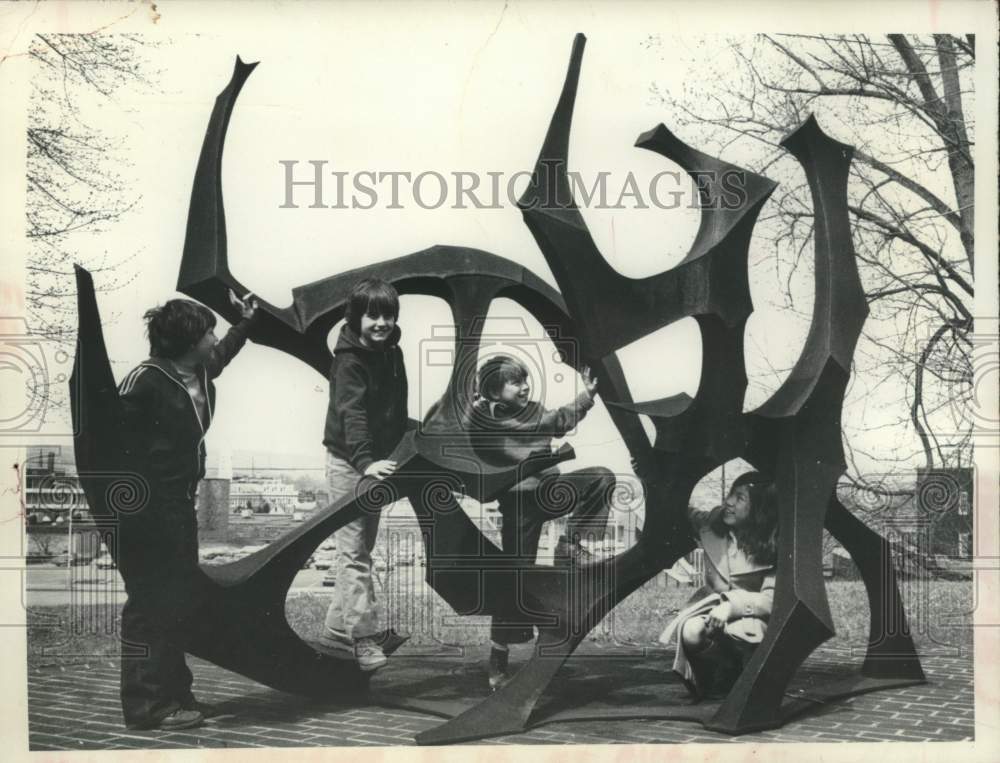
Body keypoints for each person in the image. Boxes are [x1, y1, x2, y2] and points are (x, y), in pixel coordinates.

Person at [117, 289, 257, 730]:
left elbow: (226, 352)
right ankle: (147, 706)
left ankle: (176, 696)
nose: (215, 337)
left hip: (179, 506)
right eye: (208, 331)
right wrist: (135, 510)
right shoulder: (145, 381)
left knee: (174, 600)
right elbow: (112, 446)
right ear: (186, 338)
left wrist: (246, 322)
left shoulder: (196, 372)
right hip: (148, 509)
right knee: (148, 605)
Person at [471, 354, 616, 691]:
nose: (525, 387)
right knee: (515, 577)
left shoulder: (536, 410)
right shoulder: (483, 418)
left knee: (601, 478)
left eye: (525, 380)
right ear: (494, 390)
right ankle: (498, 657)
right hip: (517, 502)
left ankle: (570, 544)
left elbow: (561, 419)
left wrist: (588, 395)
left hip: (547, 491)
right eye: (515, 382)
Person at [317, 278, 409, 671]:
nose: (381, 323)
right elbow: (350, 414)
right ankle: (363, 638)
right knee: (353, 553)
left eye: (388, 315)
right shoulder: (349, 360)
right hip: (349, 463)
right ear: (356, 318)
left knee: (360, 552)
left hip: (374, 463)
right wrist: (364, 462)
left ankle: (336, 634)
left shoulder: (393, 352)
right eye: (373, 315)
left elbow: (398, 406)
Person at [658, 471, 778, 700]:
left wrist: (731, 608)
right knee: (691, 631)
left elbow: (771, 600)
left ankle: (747, 681)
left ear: (760, 509)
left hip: (750, 614)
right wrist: (650, 473)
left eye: (740, 498)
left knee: (745, 632)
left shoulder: (774, 545)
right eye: (731, 494)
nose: (729, 502)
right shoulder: (710, 525)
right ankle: (712, 681)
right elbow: (681, 509)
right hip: (708, 607)